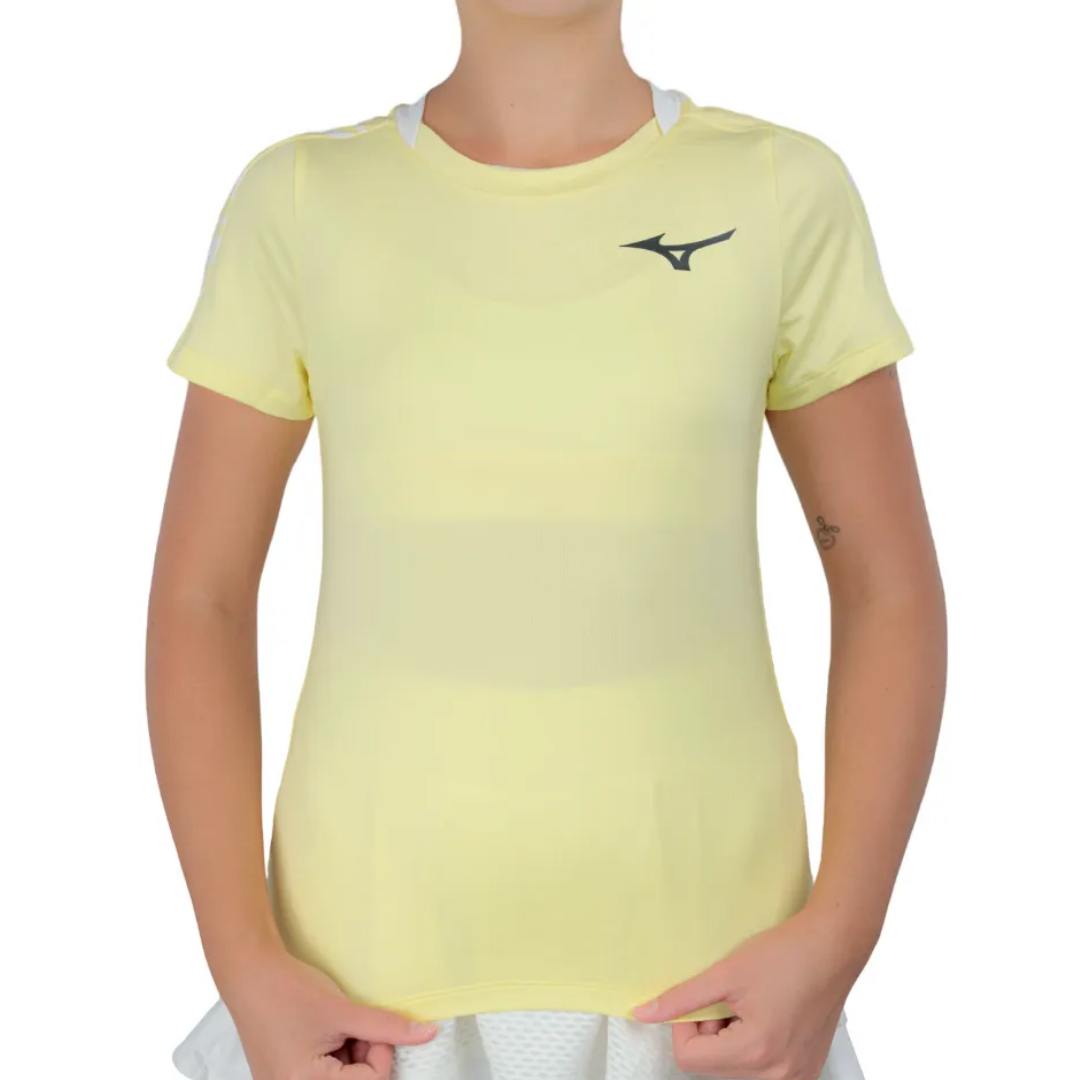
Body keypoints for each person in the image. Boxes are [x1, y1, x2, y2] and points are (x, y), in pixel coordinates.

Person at [146, 1, 947, 1078]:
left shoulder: (777, 192)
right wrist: (245, 968)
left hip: (716, 1002)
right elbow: (200, 596)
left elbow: (886, 585)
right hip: (362, 1008)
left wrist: (839, 940)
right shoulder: (301, 200)